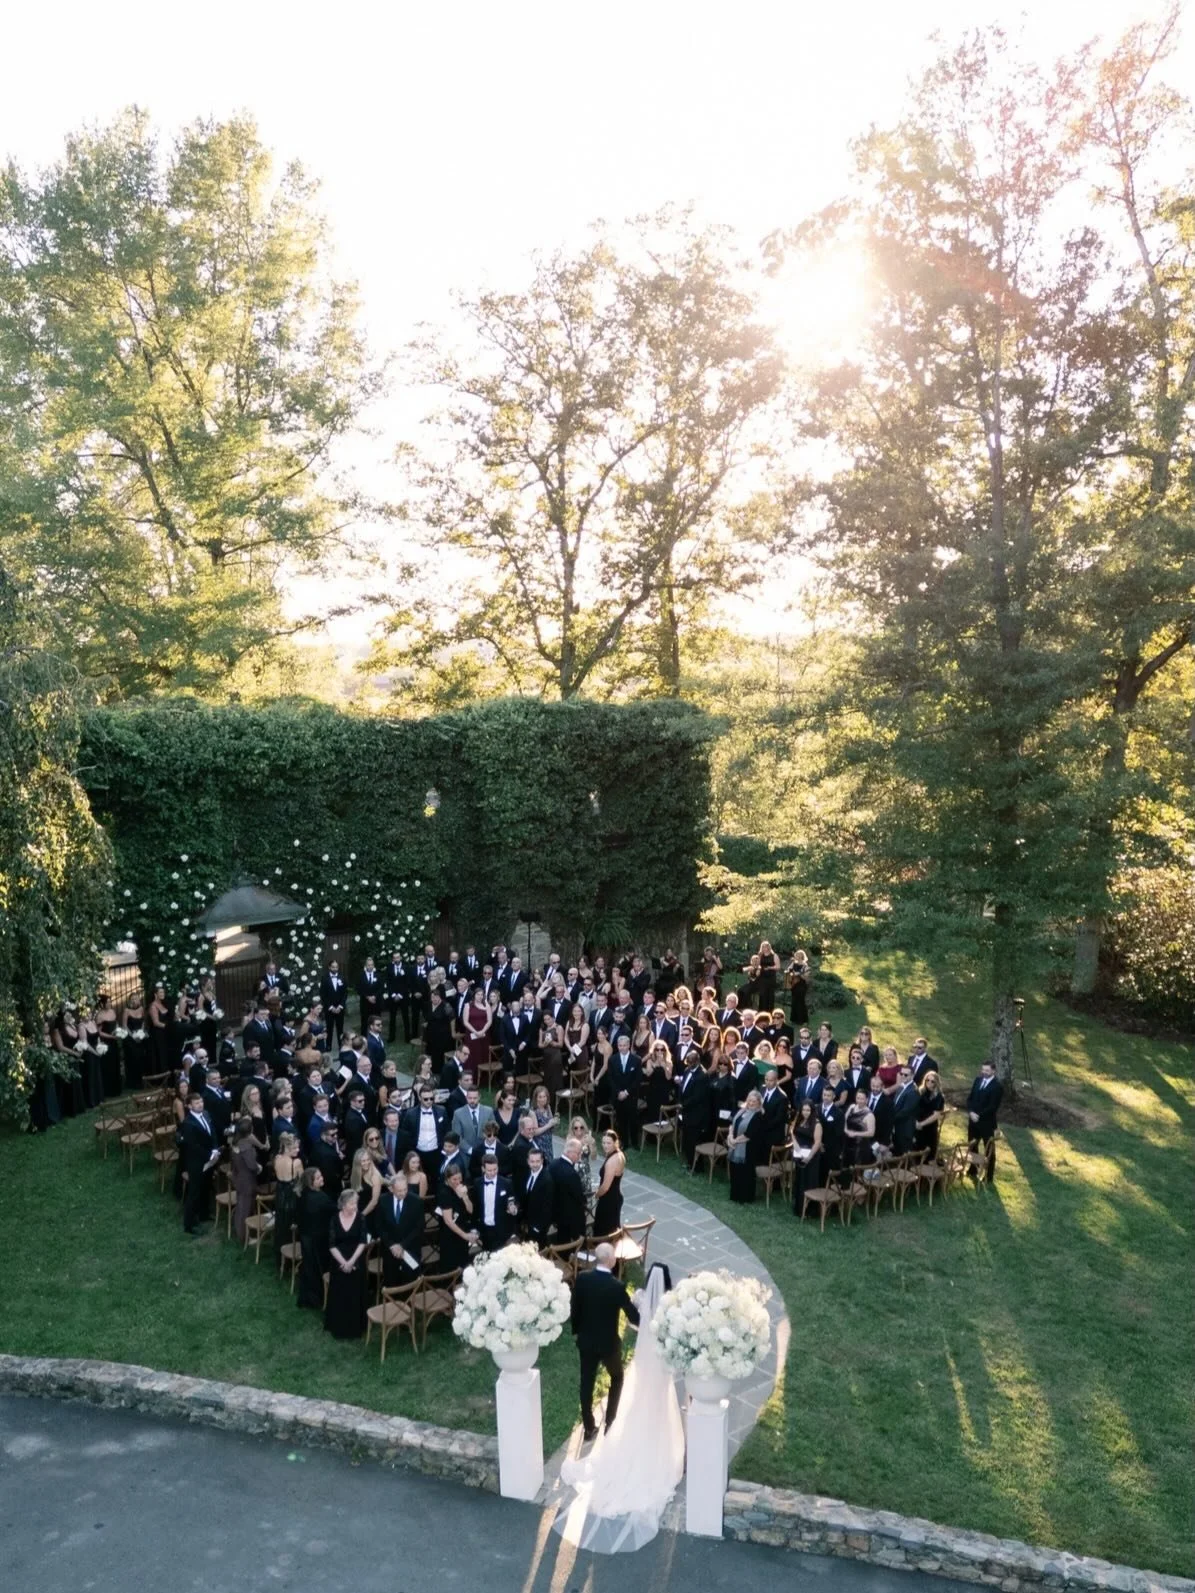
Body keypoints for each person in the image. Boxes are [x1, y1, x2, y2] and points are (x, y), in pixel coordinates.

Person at [555, 1261, 682, 1554]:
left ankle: (616, 1436)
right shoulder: (671, 1306)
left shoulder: (640, 1297)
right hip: (659, 1366)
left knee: (637, 1403)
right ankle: (656, 1449)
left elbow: (636, 1323)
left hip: (643, 1364)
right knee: (656, 1405)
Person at [570, 1241, 641, 1442]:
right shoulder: (616, 1287)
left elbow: (575, 1308)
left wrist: (577, 1332)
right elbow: (633, 1316)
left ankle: (589, 1427)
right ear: (611, 1261)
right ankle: (610, 1422)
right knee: (617, 1377)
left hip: (586, 1341)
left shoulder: (583, 1279)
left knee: (587, 1381)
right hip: (609, 1345)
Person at [324, 1189, 368, 1339]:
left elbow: (362, 1241)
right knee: (340, 1292)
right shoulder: (334, 1219)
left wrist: (352, 1261)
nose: (355, 1206)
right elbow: (332, 1245)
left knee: (355, 1292)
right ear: (343, 1204)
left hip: (356, 1258)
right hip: (339, 1260)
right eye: (351, 1204)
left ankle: (356, 1326)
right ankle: (339, 1325)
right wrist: (343, 1263)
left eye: (356, 1203)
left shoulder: (361, 1218)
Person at [177, 1092, 219, 1234]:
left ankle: (204, 1213)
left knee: (206, 1186)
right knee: (194, 1192)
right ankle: (189, 1224)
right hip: (196, 1162)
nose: (200, 1105)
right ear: (189, 1106)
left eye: (201, 1102)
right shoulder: (188, 1123)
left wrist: (215, 1149)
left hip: (209, 1158)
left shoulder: (206, 1114)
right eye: (196, 1103)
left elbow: (212, 1132)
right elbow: (193, 1146)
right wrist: (209, 1154)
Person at [296, 1166, 335, 1310]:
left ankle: (310, 1297)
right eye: (318, 1178)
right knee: (318, 1268)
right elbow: (334, 1211)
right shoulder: (320, 1198)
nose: (322, 1178)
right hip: (318, 1239)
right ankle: (318, 1297)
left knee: (309, 1266)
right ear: (311, 1182)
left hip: (306, 1236)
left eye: (321, 1176)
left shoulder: (303, 1194)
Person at [378, 1170, 424, 1285]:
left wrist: (402, 1245)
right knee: (391, 1283)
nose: (403, 1193)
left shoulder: (416, 1201)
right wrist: (392, 1245)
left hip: (410, 1249)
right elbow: (379, 1226)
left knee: (411, 1283)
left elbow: (419, 1227)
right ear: (391, 1189)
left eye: (405, 1189)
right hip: (390, 1252)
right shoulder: (383, 1200)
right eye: (399, 1191)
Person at [436, 1165, 478, 1270]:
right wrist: (464, 1235)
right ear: (447, 1179)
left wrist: (465, 1197)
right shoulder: (444, 1192)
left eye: (459, 1178)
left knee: (463, 1264)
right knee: (451, 1265)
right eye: (454, 1179)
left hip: (463, 1228)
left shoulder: (462, 1188)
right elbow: (448, 1221)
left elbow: (471, 1210)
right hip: (450, 1235)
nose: (458, 1182)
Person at [966, 1060, 1003, 1180]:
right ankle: (973, 1169)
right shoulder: (977, 1080)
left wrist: (979, 1115)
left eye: (987, 1070)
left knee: (989, 1149)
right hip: (973, 1121)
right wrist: (971, 1112)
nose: (984, 1072)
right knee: (972, 1145)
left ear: (993, 1071)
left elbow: (993, 1107)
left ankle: (988, 1176)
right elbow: (970, 1098)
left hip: (987, 1123)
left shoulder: (997, 1087)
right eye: (983, 1070)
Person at [473, 1151, 517, 1250]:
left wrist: (513, 1208)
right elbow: (476, 1207)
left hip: (501, 1230)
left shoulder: (507, 1183)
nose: (493, 1173)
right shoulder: (477, 1183)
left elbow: (513, 1200)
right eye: (489, 1170)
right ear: (483, 1169)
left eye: (495, 1169)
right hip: (484, 1229)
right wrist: (475, 1228)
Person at [729, 1089, 767, 1203]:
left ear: (759, 1103)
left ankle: (745, 1197)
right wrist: (730, 1136)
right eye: (749, 1100)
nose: (751, 1103)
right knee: (735, 1170)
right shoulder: (742, 1111)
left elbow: (749, 1134)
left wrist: (735, 1141)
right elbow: (732, 1124)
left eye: (754, 1101)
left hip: (749, 1149)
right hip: (736, 1146)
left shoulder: (758, 1115)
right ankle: (734, 1195)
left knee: (745, 1173)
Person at [272, 1133, 304, 1264]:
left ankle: (280, 1257)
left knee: (281, 1225)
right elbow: (302, 1182)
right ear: (286, 1147)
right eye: (295, 1148)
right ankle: (293, 1257)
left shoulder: (277, 1158)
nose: (298, 1150)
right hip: (291, 1198)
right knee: (293, 1225)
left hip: (280, 1196)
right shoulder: (296, 1162)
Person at [229, 1118, 262, 1243]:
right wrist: (258, 1167)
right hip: (247, 1180)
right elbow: (251, 1165)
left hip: (239, 1177)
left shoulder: (236, 1142)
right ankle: (245, 1237)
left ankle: (239, 1231)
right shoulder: (246, 1147)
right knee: (245, 1208)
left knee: (241, 1206)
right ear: (250, 1131)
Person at [677, 1051, 711, 1170]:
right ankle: (690, 1162)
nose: (689, 1064)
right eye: (688, 1062)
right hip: (687, 1111)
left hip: (696, 1113)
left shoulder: (702, 1075)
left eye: (691, 1062)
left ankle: (697, 1166)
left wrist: (683, 1105)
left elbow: (697, 1097)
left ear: (697, 1061)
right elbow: (683, 1087)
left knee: (694, 1140)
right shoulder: (687, 1070)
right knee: (687, 1138)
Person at [550, 1138, 587, 1244]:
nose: (580, 1156)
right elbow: (579, 1197)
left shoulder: (552, 1164)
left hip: (556, 1212)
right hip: (571, 1217)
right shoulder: (572, 1174)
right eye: (579, 1153)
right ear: (570, 1153)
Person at [790, 1101, 824, 1212]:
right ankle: (799, 1206)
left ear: (812, 1111)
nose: (805, 1112)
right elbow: (792, 1132)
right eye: (804, 1110)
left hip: (811, 1157)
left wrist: (809, 1157)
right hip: (800, 1154)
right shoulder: (799, 1120)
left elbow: (817, 1142)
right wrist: (794, 1143)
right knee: (799, 1180)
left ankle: (809, 1209)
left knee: (808, 1181)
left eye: (808, 1110)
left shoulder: (817, 1124)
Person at [592, 1131, 625, 1236]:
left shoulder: (612, 1161)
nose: (605, 1146)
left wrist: (597, 1194)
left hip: (608, 1200)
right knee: (613, 1229)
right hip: (616, 1196)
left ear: (615, 1142)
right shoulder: (620, 1154)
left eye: (609, 1143)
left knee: (603, 1231)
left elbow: (606, 1187)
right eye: (603, 1143)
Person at [522, 1147, 555, 1245]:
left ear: (542, 1161)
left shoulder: (547, 1180)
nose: (535, 1164)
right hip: (528, 1222)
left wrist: (538, 1228)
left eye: (538, 1161)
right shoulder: (528, 1172)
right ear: (528, 1161)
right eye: (532, 1161)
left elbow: (548, 1207)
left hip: (538, 1226)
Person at [890, 1065, 921, 1154]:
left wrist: (890, 1119)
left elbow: (905, 1111)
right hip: (897, 1126)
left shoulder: (913, 1091)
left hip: (905, 1128)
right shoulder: (901, 1087)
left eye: (906, 1075)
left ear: (912, 1076)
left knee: (903, 1153)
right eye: (901, 1074)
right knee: (896, 1151)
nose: (903, 1076)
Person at [916, 1070, 946, 1160]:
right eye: (927, 1080)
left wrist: (922, 1124)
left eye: (932, 1081)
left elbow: (936, 1115)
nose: (929, 1083)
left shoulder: (939, 1097)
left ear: (936, 1083)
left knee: (927, 1155)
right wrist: (916, 1122)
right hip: (916, 1125)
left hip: (929, 1128)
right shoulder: (920, 1092)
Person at [319, 962, 348, 1052]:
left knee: (340, 1028)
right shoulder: (324, 978)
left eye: (336, 967)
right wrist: (331, 1007)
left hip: (340, 1008)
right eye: (333, 967)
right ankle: (328, 1045)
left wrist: (340, 1006)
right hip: (329, 1008)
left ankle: (341, 1045)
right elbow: (323, 995)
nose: (335, 969)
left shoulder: (342, 978)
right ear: (329, 967)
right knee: (329, 1028)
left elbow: (345, 993)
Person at [843, 1089, 876, 1167]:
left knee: (857, 1168)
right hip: (848, 1142)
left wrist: (855, 1134)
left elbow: (871, 1133)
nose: (859, 1101)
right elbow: (844, 1119)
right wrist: (845, 1130)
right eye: (858, 1098)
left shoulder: (869, 1115)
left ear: (867, 1100)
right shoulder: (852, 1107)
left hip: (860, 1146)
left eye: (862, 1099)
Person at [785, 950, 811, 1027]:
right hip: (794, 985)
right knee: (794, 1001)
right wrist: (790, 973)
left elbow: (806, 976)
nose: (797, 956)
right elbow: (788, 970)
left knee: (801, 1002)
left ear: (802, 956)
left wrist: (799, 974)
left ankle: (803, 1020)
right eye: (796, 955)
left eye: (799, 955)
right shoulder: (793, 963)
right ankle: (794, 1020)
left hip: (801, 985)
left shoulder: (805, 965)